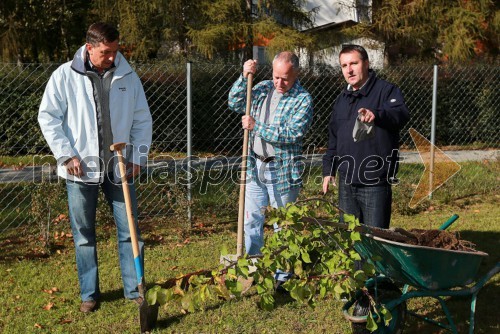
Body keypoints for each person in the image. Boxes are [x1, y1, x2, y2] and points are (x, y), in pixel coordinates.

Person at [38, 22, 152, 313]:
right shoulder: (64, 76)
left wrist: (138, 156)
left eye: (115, 51)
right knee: (84, 235)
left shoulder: (128, 75)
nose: (112, 57)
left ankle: (134, 288)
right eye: (105, 52)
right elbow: (48, 117)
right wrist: (66, 156)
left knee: (129, 230)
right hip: (80, 170)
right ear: (89, 48)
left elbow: (142, 119)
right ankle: (89, 294)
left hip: (119, 168)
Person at [228, 51, 313, 282]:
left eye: (285, 78)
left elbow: (293, 134)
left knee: (283, 225)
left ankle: (283, 277)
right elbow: (234, 102)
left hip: (282, 170)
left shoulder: (302, 99)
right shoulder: (263, 88)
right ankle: (254, 269)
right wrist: (244, 77)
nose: (279, 83)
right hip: (255, 164)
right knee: (251, 219)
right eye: (276, 76)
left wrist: (256, 126)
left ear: (296, 73)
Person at [322, 44, 409, 229]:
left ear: (367, 63)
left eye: (354, 63)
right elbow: (334, 138)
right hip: (346, 182)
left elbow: (400, 114)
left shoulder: (386, 91)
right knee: (349, 239)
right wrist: (329, 170)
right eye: (344, 66)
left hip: (374, 181)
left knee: (375, 238)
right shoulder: (342, 99)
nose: (349, 70)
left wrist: (377, 114)